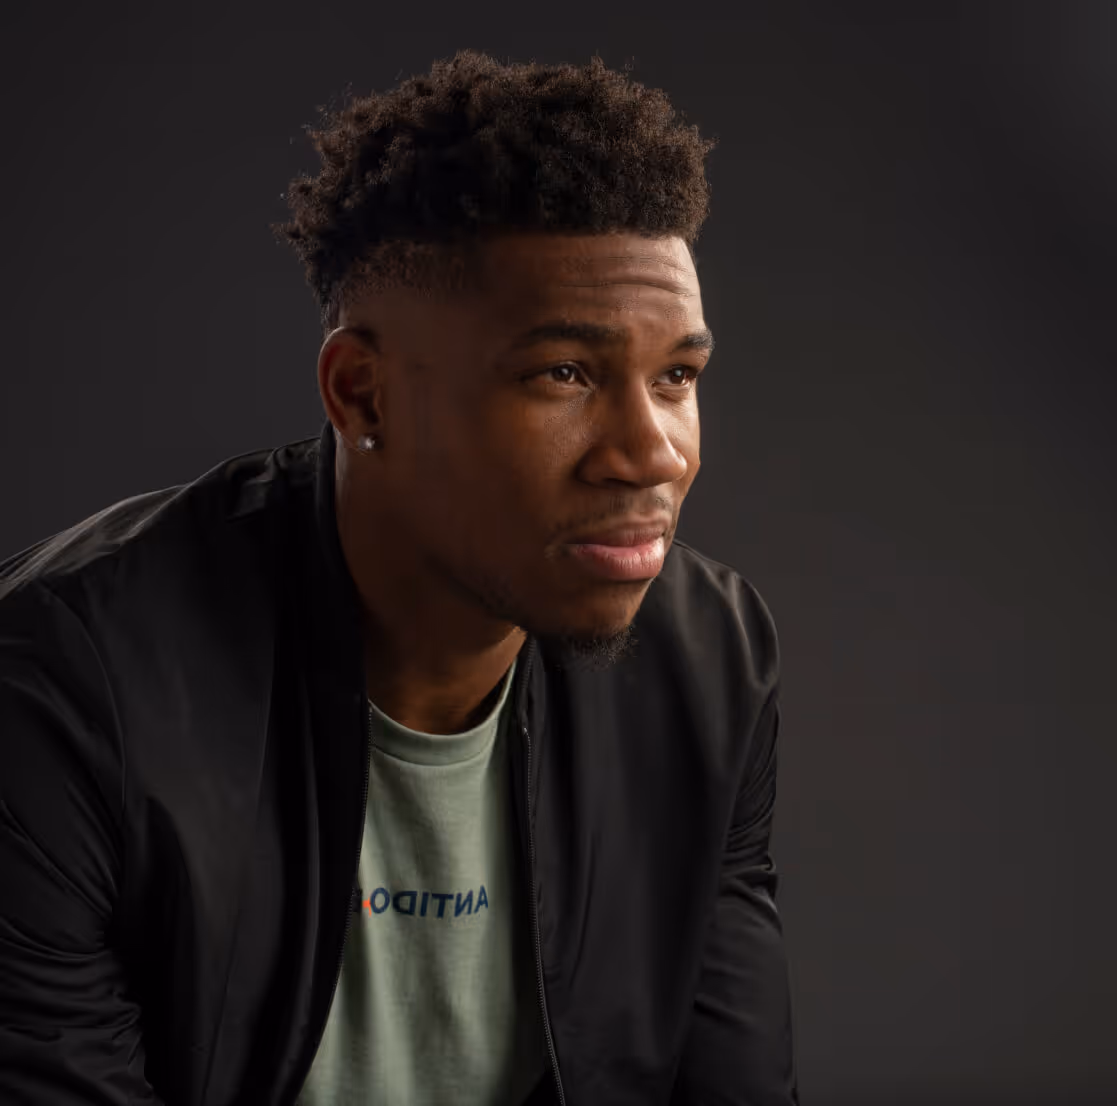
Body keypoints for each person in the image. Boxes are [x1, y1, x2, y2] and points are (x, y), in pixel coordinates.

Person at [0, 49, 799, 1105]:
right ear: (362, 393)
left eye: (676, 378)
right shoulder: (65, 686)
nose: (650, 451)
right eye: (563, 372)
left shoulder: (710, 663)